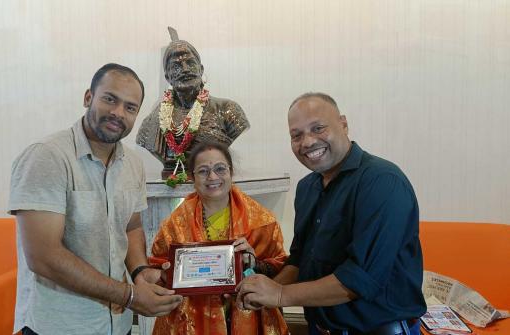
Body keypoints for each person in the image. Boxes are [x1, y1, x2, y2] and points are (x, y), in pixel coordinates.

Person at [8, 63, 183, 335]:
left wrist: (139, 272)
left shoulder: (133, 165)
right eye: (110, 99)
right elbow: (43, 256)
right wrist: (129, 296)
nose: (118, 113)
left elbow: (132, 226)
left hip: (117, 324)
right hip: (61, 325)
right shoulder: (47, 157)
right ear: (88, 97)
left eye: (130, 107)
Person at [236, 93, 427, 335]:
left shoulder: (382, 182)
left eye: (318, 128)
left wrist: (280, 294)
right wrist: (264, 290)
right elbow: (300, 261)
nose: (307, 142)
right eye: (296, 135)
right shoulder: (307, 188)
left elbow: (358, 280)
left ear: (344, 124)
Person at [148, 141, 289, 335]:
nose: (213, 177)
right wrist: (167, 274)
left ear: (231, 172)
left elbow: (280, 268)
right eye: (203, 171)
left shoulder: (261, 221)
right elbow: (157, 267)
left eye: (220, 169)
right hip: (192, 318)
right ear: (192, 178)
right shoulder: (175, 224)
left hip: (246, 312)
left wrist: (253, 263)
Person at [136, 28, 249, 180]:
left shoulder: (228, 110)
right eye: (176, 65)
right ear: (167, 77)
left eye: (190, 62)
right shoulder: (152, 122)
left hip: (212, 183)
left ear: (201, 69)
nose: (185, 69)